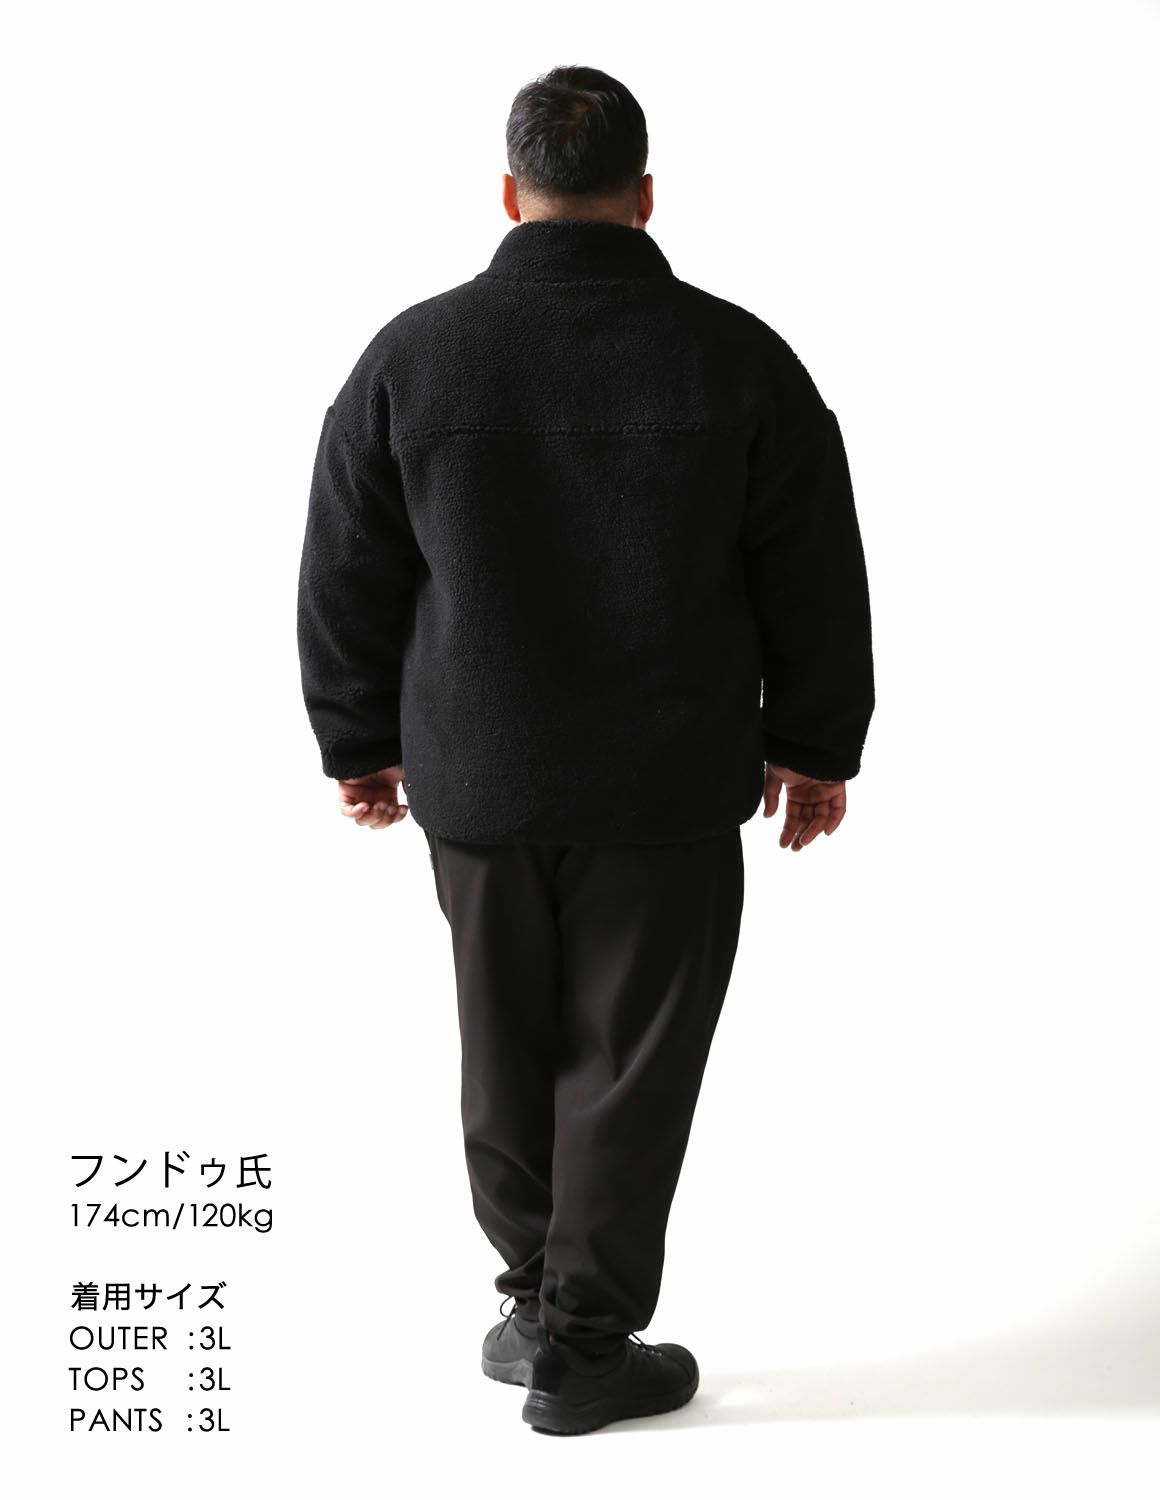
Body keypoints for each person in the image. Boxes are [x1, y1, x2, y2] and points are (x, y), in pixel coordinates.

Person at [296, 64, 875, 1436]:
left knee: (503, 1045)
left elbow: (347, 569)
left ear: (510, 194)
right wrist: (815, 744)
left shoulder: (414, 357)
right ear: (646, 195)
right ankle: (584, 1346)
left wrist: (354, 737)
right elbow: (812, 570)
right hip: (666, 784)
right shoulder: (737, 358)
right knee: (629, 1064)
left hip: (476, 776)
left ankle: (531, 1307)